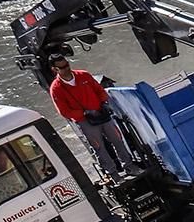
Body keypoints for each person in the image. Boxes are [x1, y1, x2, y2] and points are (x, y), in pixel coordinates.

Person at [46, 52, 135, 180]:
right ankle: (113, 174)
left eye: (67, 65)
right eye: (63, 67)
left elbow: (99, 90)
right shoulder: (56, 88)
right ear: (54, 69)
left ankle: (129, 166)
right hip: (85, 121)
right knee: (99, 148)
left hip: (101, 114)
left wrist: (104, 103)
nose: (67, 68)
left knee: (117, 139)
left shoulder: (84, 75)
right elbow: (64, 111)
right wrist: (83, 114)